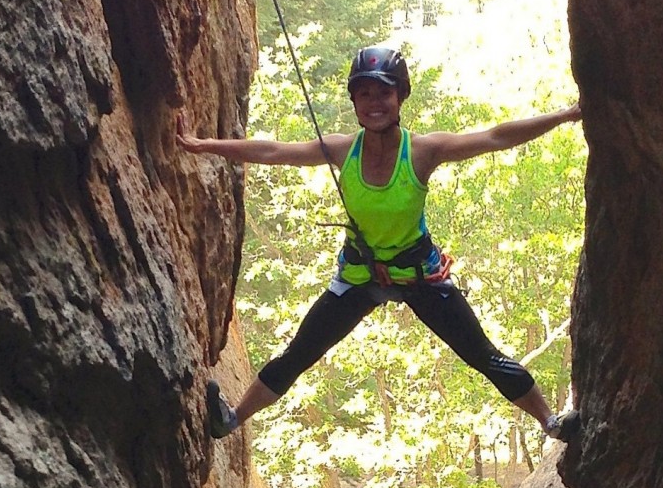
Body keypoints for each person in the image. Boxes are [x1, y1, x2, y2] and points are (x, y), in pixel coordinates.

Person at [177, 46, 582, 442]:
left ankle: (551, 422)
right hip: (360, 275)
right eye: (365, 94)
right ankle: (230, 420)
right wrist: (204, 145)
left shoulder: (423, 150)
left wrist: (567, 115)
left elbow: (496, 136)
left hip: (419, 275)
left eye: (384, 92)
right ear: (354, 100)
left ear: (400, 96)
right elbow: (274, 151)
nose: (374, 103)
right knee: (298, 353)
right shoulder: (341, 149)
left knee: (482, 354)